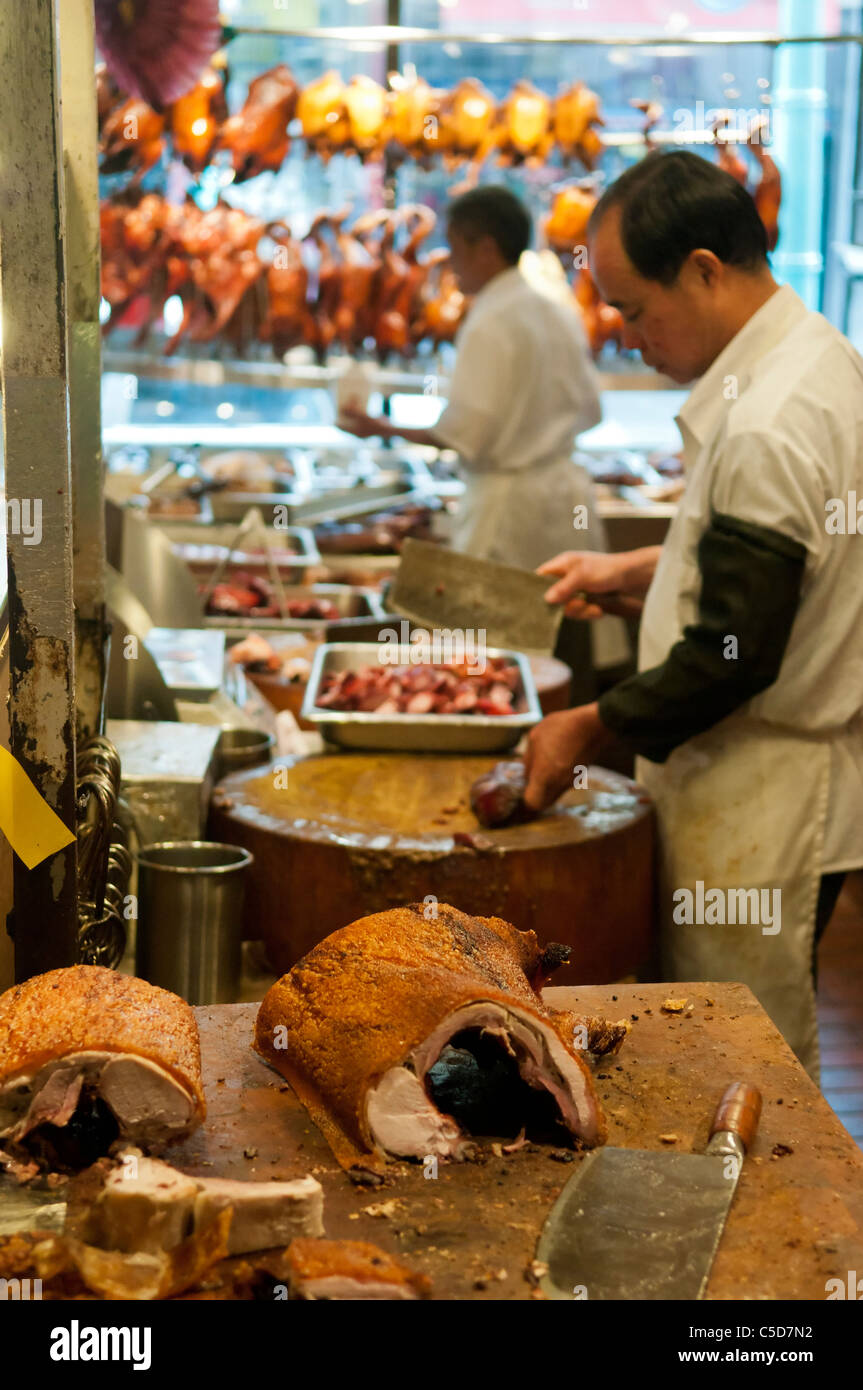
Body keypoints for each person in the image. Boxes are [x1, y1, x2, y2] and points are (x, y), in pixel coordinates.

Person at [523, 150, 863, 1081]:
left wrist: (589, 726)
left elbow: (734, 654)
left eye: (634, 309)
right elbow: (793, 571)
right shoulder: (807, 355)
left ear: (705, 270)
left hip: (759, 788)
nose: (626, 335)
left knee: (738, 1061)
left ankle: (778, 1226)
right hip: (762, 771)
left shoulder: (767, 420)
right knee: (724, 1045)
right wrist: (648, 567)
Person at [340, 184, 605, 572]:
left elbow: (465, 433)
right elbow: (592, 410)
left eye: (454, 247)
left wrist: (378, 427)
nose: (450, 261)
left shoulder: (492, 320)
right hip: (566, 503)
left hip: (510, 516)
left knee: (503, 630)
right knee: (567, 624)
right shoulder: (556, 308)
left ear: (485, 249)